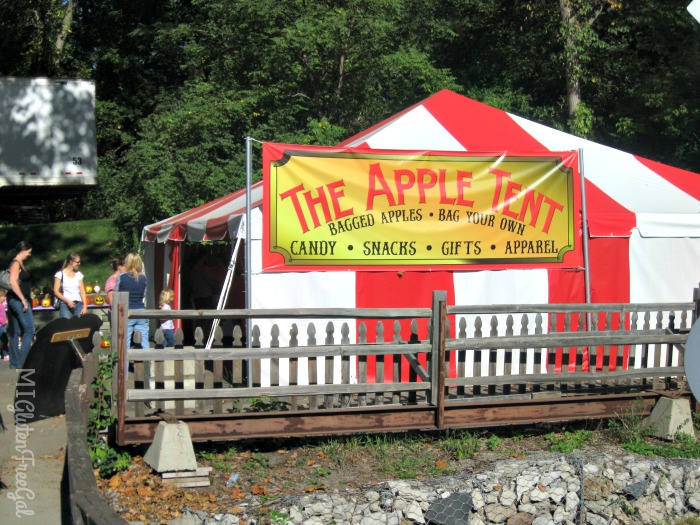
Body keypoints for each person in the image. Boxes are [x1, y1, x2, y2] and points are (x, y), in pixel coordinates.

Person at [7, 241, 35, 369]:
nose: (30, 254)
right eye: (29, 252)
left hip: (16, 300)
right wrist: (23, 299)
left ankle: (15, 363)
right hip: (18, 301)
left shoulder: (19, 263)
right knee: (29, 330)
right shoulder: (16, 263)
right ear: (23, 250)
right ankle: (23, 362)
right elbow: (13, 282)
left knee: (15, 331)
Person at [115, 252, 149, 350]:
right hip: (141, 311)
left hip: (126, 311)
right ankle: (148, 365)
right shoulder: (143, 278)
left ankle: (124, 365)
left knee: (124, 345)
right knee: (144, 342)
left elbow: (117, 294)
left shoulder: (121, 277)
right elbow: (144, 294)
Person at [53, 252, 88, 318]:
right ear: (71, 262)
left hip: (78, 305)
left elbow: (82, 291)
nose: (79, 264)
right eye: (77, 262)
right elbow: (56, 291)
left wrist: (85, 306)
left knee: (79, 326)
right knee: (67, 326)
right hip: (65, 305)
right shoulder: (60, 274)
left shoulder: (78, 274)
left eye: (79, 262)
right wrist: (68, 301)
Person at [0, 290, 8, 361]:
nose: (5, 298)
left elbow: (3, 315)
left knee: (4, 340)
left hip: (3, 325)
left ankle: (4, 354)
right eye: (3, 297)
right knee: (4, 340)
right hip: (1, 326)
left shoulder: (2, 305)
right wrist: (3, 322)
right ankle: (5, 355)